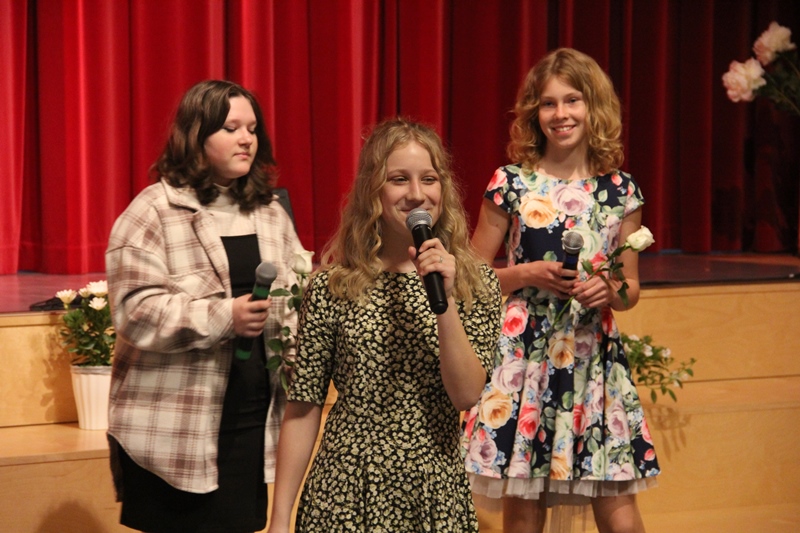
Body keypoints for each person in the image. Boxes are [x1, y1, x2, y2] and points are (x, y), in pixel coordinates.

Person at [266, 118, 502, 532]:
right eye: (399, 179)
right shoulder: (334, 285)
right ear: (373, 189)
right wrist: (279, 518)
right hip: (345, 491)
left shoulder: (474, 283)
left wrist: (444, 300)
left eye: (428, 179)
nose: (416, 194)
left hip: (433, 492)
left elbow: (465, 394)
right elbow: (303, 407)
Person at [461, 48, 659, 533]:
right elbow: (469, 276)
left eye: (572, 100)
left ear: (594, 106)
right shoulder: (510, 182)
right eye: (548, 103)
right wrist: (527, 274)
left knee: (620, 515)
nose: (560, 114)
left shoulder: (621, 190)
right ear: (535, 113)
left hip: (592, 360)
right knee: (524, 512)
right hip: (523, 358)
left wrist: (609, 290)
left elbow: (630, 289)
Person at [105, 79, 305, 533]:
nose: (246, 139)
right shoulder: (153, 211)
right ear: (196, 136)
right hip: (174, 426)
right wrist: (224, 316)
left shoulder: (269, 212)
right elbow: (134, 311)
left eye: (252, 128)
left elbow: (298, 299)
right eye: (231, 128)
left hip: (250, 417)